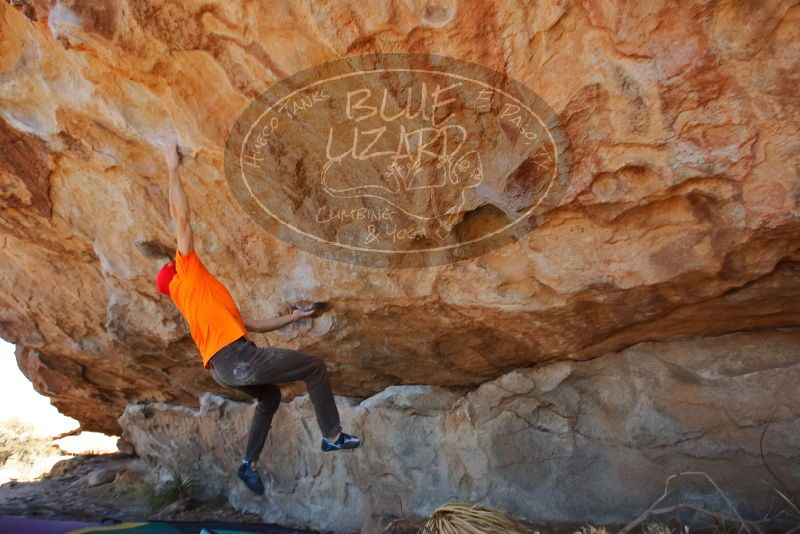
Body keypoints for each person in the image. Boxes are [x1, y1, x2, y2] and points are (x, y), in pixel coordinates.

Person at [154, 142, 360, 496]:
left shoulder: (198, 301)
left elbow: (251, 324)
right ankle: (332, 436)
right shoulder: (187, 274)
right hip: (238, 360)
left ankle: (248, 464)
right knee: (314, 368)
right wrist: (173, 169)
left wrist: (291, 317)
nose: (182, 255)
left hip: (224, 369)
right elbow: (181, 218)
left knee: (270, 399)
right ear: (174, 273)